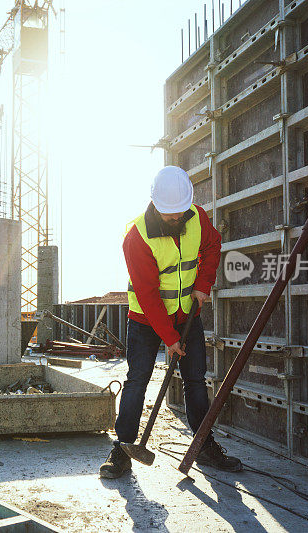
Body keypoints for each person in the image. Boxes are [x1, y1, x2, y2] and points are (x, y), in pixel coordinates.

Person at [100, 166, 242, 479]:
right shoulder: (137, 237)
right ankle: (122, 449)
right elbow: (149, 295)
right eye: (170, 214)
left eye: (180, 213)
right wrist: (169, 337)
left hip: (187, 314)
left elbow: (212, 245)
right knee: (138, 379)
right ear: (156, 206)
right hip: (145, 321)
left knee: (196, 379)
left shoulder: (195, 216)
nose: (177, 219)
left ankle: (203, 444)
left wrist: (204, 282)